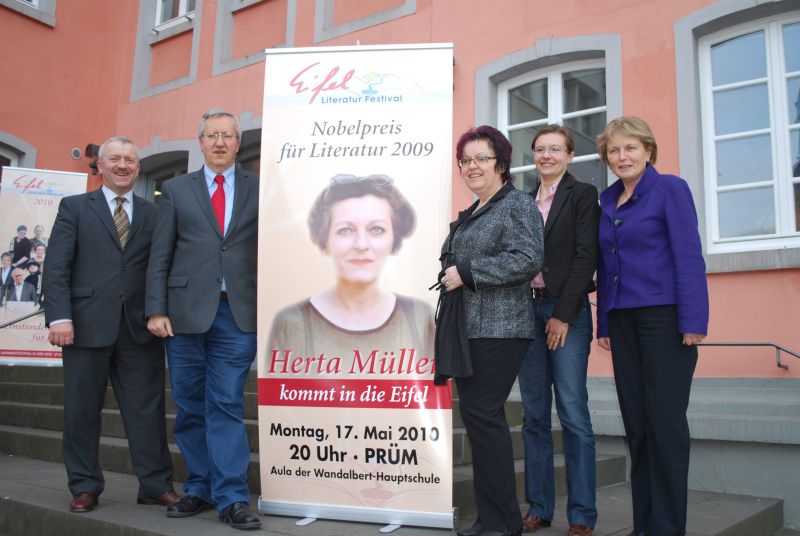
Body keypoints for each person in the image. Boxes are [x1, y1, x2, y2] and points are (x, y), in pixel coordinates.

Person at [42, 136, 176, 514]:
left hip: (139, 328)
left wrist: (158, 309)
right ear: (100, 166)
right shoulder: (74, 208)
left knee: (147, 411)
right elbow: (56, 267)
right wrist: (60, 317)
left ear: (138, 168)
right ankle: (85, 486)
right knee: (81, 411)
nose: (122, 165)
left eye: (130, 160)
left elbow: (159, 267)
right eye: (114, 159)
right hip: (83, 326)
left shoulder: (155, 213)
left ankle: (155, 484)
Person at [146, 108, 261, 530]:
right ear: (200, 142)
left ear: (237, 143)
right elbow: (161, 255)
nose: (219, 142)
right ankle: (199, 486)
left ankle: (232, 497)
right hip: (182, 316)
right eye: (211, 135)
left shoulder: (259, 188)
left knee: (227, 403)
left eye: (227, 135)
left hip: (238, 314)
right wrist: (156, 308)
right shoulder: (176, 190)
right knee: (191, 406)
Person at [595, 116, 709, 536]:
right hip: (623, 321)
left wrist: (693, 319)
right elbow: (605, 266)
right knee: (638, 427)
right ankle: (644, 524)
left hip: (665, 319)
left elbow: (689, 255)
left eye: (630, 148)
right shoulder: (607, 201)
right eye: (614, 150)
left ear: (648, 150)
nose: (622, 156)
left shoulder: (670, 189)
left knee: (665, 425)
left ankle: (666, 527)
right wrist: (603, 321)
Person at [443, 125, 543, 536]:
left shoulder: (516, 204)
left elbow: (527, 258)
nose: (472, 166)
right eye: (466, 160)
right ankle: (493, 519)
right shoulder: (474, 211)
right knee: (481, 419)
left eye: (481, 158)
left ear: (500, 163)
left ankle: (502, 523)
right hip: (471, 327)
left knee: (483, 416)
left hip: (502, 327)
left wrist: (466, 271)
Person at [518, 125, 599, 536]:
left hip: (565, 311)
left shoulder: (582, 196)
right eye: (540, 149)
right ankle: (539, 508)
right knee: (534, 417)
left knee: (572, 413)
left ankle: (582, 515)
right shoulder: (520, 200)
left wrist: (563, 314)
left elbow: (587, 255)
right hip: (525, 313)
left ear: (569, 155)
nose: (546, 155)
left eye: (555, 149)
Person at [268, 174, 433, 360]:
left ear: (394, 237)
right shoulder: (290, 323)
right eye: (345, 230)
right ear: (325, 240)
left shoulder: (420, 316)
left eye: (376, 229)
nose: (361, 245)